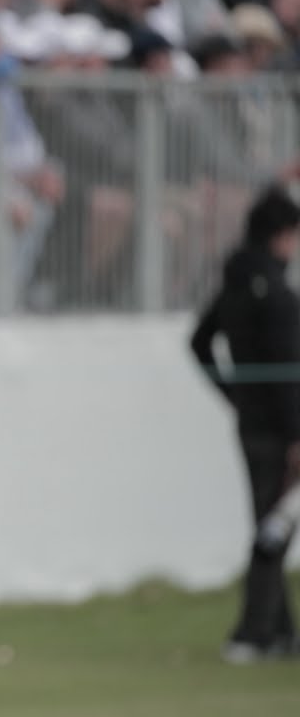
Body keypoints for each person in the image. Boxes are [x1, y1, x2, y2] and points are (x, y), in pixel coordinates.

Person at [190, 182, 300, 665]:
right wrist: (298, 435)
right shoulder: (275, 292)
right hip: (280, 432)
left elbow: (199, 342)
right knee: (273, 530)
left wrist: (234, 395)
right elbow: (288, 373)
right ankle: (254, 632)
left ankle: (277, 630)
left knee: (269, 524)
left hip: (251, 424)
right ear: (281, 235)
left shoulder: (235, 285)